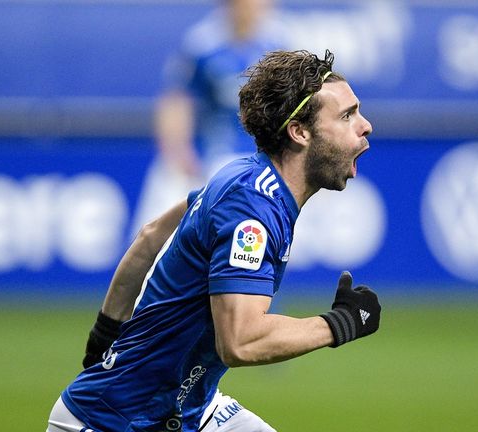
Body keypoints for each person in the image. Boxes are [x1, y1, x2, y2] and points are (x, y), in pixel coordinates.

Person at [47, 49, 380, 432]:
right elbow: (239, 342)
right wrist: (340, 323)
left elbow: (151, 236)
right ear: (299, 132)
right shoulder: (252, 209)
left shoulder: (245, 176)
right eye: (347, 115)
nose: (366, 125)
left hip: (191, 409)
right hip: (113, 421)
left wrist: (104, 334)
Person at [132, 0, 282, 237]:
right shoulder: (202, 44)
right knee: (165, 195)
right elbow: (176, 100)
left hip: (259, 159)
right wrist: (178, 150)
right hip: (211, 156)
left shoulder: (278, 45)